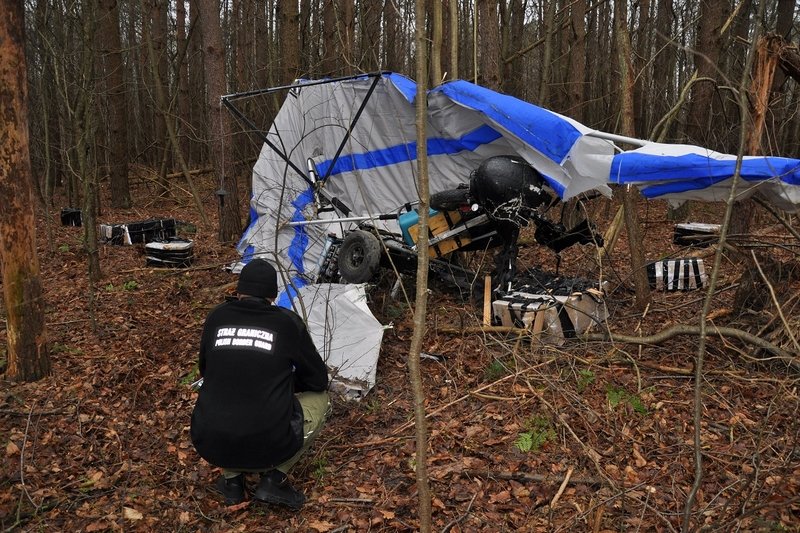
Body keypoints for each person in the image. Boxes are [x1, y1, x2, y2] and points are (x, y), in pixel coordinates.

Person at [190, 259, 330, 510]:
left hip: (209, 440)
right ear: (273, 295)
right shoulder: (287, 323)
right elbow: (318, 380)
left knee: (227, 399)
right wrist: (285, 384)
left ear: (239, 290)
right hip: (269, 442)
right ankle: (274, 479)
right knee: (321, 399)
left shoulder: (217, 317)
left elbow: (206, 371)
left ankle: (232, 482)